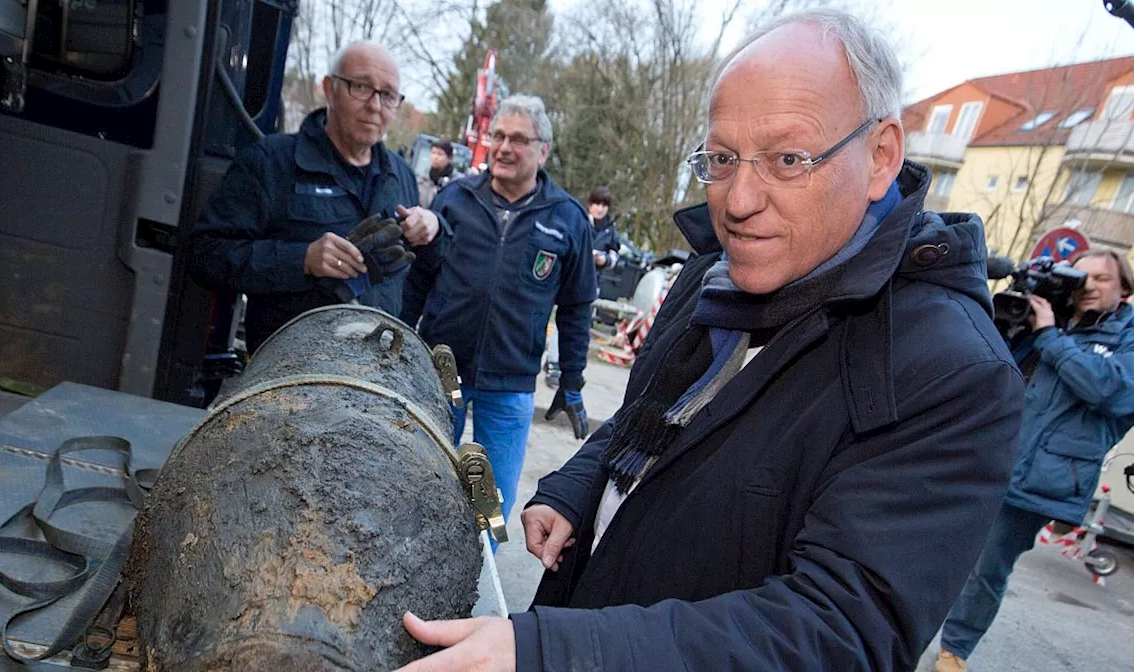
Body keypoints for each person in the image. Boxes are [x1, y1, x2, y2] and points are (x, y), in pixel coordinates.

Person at [394, 10, 1023, 671]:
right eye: (721, 159)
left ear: (881, 157)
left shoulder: (954, 374)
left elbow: (834, 633)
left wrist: (556, 651)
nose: (740, 199)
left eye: (786, 158)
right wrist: (578, 487)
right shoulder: (716, 271)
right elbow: (647, 423)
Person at [401, 95, 597, 538]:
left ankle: (475, 591)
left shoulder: (567, 220)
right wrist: (398, 337)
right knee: (417, 486)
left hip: (509, 386)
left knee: (489, 510)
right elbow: (417, 279)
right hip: (440, 375)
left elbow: (576, 309)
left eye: (519, 139)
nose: (505, 147)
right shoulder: (454, 199)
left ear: (543, 150)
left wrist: (572, 381)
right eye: (499, 137)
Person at [935, 249, 1134, 672]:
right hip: (984, 455)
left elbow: (1109, 391)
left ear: (1125, 290)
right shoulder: (1049, 320)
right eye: (1082, 277)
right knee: (931, 545)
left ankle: (954, 650)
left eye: (1101, 278)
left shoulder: (1122, 338)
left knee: (987, 568)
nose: (1088, 286)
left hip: (1042, 474)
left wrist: (1048, 335)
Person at [188, 41, 443, 351]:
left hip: (372, 376)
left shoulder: (401, 176)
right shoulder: (271, 161)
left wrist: (433, 225)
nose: (375, 106)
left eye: (387, 95)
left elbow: (422, 273)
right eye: (360, 87)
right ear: (329, 88)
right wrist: (302, 260)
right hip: (288, 373)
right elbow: (205, 254)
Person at [543, 186, 621, 388]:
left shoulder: (610, 230)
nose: (600, 209)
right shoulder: (577, 220)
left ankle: (566, 368)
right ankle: (553, 365)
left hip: (591, 282)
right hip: (565, 279)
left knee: (579, 326)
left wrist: (604, 260)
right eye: (597, 203)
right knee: (561, 324)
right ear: (590, 204)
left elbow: (616, 256)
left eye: (604, 205)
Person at [418, 138, 457, 208]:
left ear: (450, 158)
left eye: (440, 154)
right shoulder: (422, 180)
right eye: (433, 153)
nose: (435, 157)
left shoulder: (456, 183)